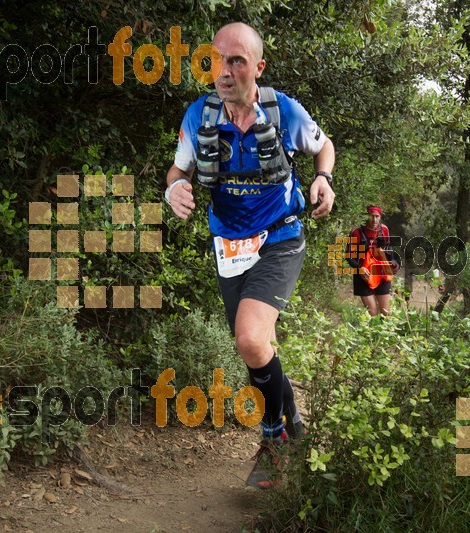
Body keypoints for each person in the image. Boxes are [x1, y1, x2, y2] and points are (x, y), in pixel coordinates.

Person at [163, 22, 335, 489]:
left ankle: (273, 437)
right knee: (256, 347)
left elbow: (325, 148)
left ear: (257, 67)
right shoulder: (199, 116)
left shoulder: (284, 112)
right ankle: (295, 426)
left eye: (236, 60)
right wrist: (175, 190)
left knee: (250, 338)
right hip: (229, 245)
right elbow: (177, 170)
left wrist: (323, 179)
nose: (224, 70)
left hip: (280, 235)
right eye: (216, 59)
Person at [346, 205, 397, 316]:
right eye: (371, 216)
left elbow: (389, 248)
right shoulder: (356, 232)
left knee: (386, 313)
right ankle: (371, 333)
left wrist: (393, 260)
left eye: (377, 216)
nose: (374, 220)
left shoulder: (384, 230)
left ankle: (386, 333)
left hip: (382, 273)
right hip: (363, 275)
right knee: (372, 313)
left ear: (380, 217)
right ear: (366, 216)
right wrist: (359, 269)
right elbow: (348, 255)